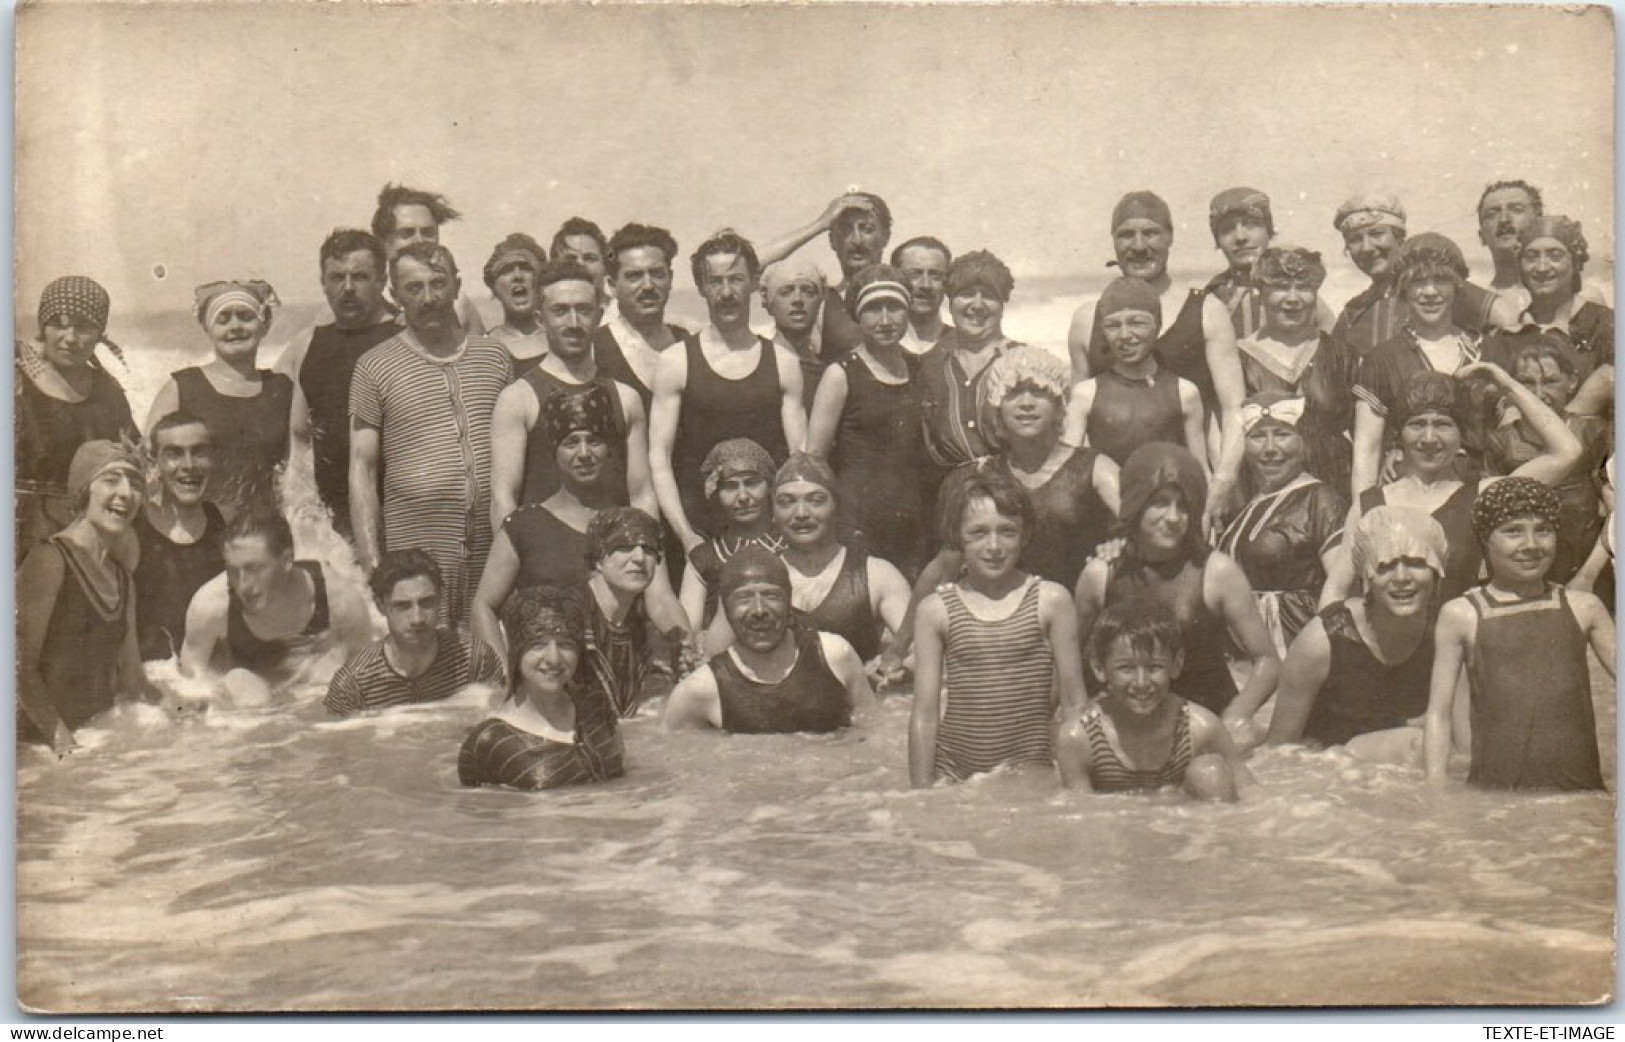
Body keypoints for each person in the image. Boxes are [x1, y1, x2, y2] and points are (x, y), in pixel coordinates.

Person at [348, 242, 514, 628]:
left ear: (456, 285)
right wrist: (375, 567)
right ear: (394, 295)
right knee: (424, 670)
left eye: (438, 284)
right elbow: (362, 470)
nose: (428, 298)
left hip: (492, 550)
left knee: (489, 664)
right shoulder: (374, 367)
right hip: (417, 550)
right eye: (413, 287)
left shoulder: (495, 358)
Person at [1073, 443, 1279, 744]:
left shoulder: (1217, 572)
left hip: (1204, 723)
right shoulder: (1100, 575)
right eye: (1160, 503)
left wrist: (1233, 719)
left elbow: (1268, 662)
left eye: (1184, 506)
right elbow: (1070, 662)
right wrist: (1080, 717)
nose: (1173, 517)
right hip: (1129, 725)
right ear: (1134, 503)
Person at [1326, 366, 1581, 605]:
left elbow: (1567, 452)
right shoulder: (1370, 503)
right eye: (1416, 424)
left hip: (1461, 644)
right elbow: (1336, 590)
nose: (1429, 438)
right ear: (1399, 434)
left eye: (1442, 424)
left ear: (1461, 434)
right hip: (1389, 647)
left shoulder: (1484, 496)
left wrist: (1506, 382)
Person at [1424, 479, 1614, 791]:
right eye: (1513, 531)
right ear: (1485, 539)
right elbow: (1439, 715)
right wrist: (1435, 790)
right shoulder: (1462, 614)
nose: (1531, 544)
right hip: (1495, 796)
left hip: (1579, 792)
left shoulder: (1584, 608)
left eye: (1543, 530)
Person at [1066, 191, 1246, 513]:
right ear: (1113, 242)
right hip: (1112, 494)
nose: (1138, 246)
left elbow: (1234, 409)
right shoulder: (1087, 320)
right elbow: (1077, 419)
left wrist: (1223, 482)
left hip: (1188, 488)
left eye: (1150, 232)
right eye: (1126, 235)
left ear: (1170, 237)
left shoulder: (1206, 310)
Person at [909, 469, 1087, 786]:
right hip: (955, 774)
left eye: (1007, 531)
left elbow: (1075, 703)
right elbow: (925, 714)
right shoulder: (936, 610)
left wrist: (1080, 790)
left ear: (1025, 534)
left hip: (1031, 770)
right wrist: (921, 793)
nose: (994, 546)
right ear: (957, 536)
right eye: (978, 533)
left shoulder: (1051, 600)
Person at [649, 230, 805, 553]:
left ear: (753, 283)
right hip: (698, 533)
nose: (726, 292)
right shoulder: (675, 362)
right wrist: (687, 537)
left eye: (735, 279)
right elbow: (659, 459)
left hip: (771, 535)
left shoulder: (784, 363)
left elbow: (798, 460)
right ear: (702, 289)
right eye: (715, 281)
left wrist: (786, 531)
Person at [1266, 506, 1448, 764]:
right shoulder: (1323, 641)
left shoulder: (1447, 632)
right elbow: (1277, 753)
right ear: (1366, 576)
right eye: (1385, 565)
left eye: (1417, 563)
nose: (1402, 578)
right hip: (1329, 772)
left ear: (1437, 570)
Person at [16, 442, 159, 753]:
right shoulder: (49, 560)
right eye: (111, 479)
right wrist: (64, 745)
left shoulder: (122, 580)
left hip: (97, 741)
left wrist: (181, 714)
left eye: (135, 482)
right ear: (83, 490)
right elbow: (17, 669)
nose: (126, 492)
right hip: (40, 749)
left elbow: (133, 681)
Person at [487, 259, 653, 528]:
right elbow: (503, 498)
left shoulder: (625, 397)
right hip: (544, 561)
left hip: (614, 558)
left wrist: (653, 565)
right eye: (561, 311)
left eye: (584, 310)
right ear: (541, 318)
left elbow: (642, 494)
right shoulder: (518, 398)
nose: (574, 322)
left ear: (599, 317)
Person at [805, 264, 933, 577]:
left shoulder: (921, 369)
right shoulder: (840, 374)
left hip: (914, 524)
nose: (886, 320)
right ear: (857, 317)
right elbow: (814, 460)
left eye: (895, 308)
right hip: (857, 523)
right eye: (874, 309)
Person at [1055, 599, 1250, 800]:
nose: (1141, 683)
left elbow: (1253, 796)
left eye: (1154, 667)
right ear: (1099, 668)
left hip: (1183, 822)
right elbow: (1078, 817)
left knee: (1209, 771)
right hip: (1116, 826)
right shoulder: (1079, 738)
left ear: (1177, 664)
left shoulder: (1201, 729)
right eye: (1126, 669)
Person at [664, 547, 873, 734]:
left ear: (789, 601)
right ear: (726, 610)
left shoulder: (835, 656)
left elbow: (875, 731)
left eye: (771, 596)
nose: (759, 610)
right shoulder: (700, 690)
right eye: (744, 598)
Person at [277, 230, 400, 539]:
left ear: (382, 280)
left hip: (403, 514)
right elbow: (298, 436)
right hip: (334, 524)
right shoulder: (309, 344)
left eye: (359, 277)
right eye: (336, 277)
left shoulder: (406, 335)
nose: (347, 289)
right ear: (323, 283)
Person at [735, 455, 911, 671]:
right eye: (786, 502)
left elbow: (919, 651)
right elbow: (718, 658)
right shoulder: (752, 575)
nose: (801, 514)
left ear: (836, 507)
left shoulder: (877, 574)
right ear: (772, 513)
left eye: (816, 500)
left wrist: (885, 669)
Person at [1350, 233, 1493, 494]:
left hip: (1477, 488)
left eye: (1440, 280)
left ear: (1458, 286)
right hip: (1408, 490)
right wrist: (1363, 516)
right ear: (1402, 290)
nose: (1430, 292)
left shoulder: (1486, 350)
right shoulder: (1382, 359)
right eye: (1417, 282)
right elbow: (1366, 451)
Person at [475, 386, 624, 633]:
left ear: (609, 450)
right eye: (571, 443)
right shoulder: (524, 525)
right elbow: (484, 606)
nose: (584, 453)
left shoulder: (628, 524)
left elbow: (659, 599)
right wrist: (501, 668)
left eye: (594, 441)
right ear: (554, 453)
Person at [144, 280, 289, 522]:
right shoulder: (183, 387)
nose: (235, 327)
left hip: (263, 531)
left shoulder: (282, 389)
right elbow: (149, 465)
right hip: (197, 526)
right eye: (223, 319)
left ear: (263, 325)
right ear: (208, 328)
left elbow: (296, 469)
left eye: (245, 317)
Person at [1216, 391, 1348, 656]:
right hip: (1245, 653)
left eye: (1282, 434)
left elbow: (1341, 595)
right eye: (1257, 436)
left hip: (1296, 650)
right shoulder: (1246, 506)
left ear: (1303, 442)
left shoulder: (1321, 500)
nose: (1269, 449)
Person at [16, 276, 137, 564]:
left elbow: (133, 458)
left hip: (88, 531)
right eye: (58, 323)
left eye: (83, 326)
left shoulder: (108, 393)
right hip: (20, 528)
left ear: (100, 333)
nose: (70, 338)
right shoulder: (17, 383)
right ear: (43, 327)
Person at [180, 510, 373, 688]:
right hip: (244, 706)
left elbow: (367, 681)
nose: (242, 584)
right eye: (232, 570)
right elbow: (188, 691)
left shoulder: (338, 600)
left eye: (254, 569)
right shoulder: (210, 606)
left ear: (287, 560)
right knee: (242, 685)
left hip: (309, 701)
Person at [458, 587, 625, 791]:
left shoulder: (596, 708)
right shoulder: (489, 742)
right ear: (517, 651)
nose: (554, 658)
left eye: (565, 644)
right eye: (538, 644)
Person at [1225, 246, 1357, 496]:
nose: (1293, 298)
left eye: (1304, 287)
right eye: (1281, 287)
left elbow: (1363, 435)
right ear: (1261, 293)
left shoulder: (1341, 353)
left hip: (1334, 486)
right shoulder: (1237, 358)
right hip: (1262, 490)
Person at [1328, 191, 1517, 362]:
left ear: (1400, 237)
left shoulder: (1438, 291)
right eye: (1355, 240)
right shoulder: (1353, 313)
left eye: (1377, 234)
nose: (1366, 248)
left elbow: (1507, 317)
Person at [1483, 337, 1609, 583]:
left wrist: (1587, 577)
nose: (1539, 393)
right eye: (1527, 383)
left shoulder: (1594, 434)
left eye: (1550, 382)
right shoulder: (1502, 442)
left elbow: (1618, 511)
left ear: (1572, 382)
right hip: (1522, 568)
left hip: (1585, 568)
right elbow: (1489, 517)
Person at [324, 550, 506, 718]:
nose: (417, 618)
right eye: (403, 606)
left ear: (440, 599)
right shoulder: (353, 683)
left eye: (427, 602)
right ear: (380, 606)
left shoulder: (475, 659)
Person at [1065, 275, 1207, 472]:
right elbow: (1069, 472)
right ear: (1103, 332)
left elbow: (1200, 471)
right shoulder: (1086, 394)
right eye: (1113, 326)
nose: (1124, 335)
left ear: (1157, 325)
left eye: (1136, 323)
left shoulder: (1184, 392)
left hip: (1167, 499)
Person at [1482, 216, 1614, 413]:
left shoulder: (1606, 324)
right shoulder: (1504, 339)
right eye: (1531, 256)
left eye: (1555, 255)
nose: (1542, 267)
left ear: (1576, 262)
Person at [574, 507, 697, 718]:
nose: (640, 557)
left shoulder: (639, 628)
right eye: (624, 546)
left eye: (648, 549)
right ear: (598, 559)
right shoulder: (569, 614)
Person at [916, 250, 1025, 473]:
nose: (977, 304)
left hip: (1016, 492)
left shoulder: (1026, 362)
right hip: (952, 495)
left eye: (988, 295)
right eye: (966, 294)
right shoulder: (931, 368)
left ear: (1002, 304)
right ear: (950, 302)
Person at [758, 191, 894, 370]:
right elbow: (743, 266)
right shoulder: (823, 303)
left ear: (885, 237)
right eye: (845, 230)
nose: (857, 240)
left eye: (867, 229)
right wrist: (820, 224)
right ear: (832, 240)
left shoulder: (904, 295)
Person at [133, 413, 226, 662]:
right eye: (174, 453)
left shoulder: (224, 526)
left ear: (213, 459)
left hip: (208, 676)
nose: (188, 465)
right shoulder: (133, 529)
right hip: (152, 679)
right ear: (155, 464)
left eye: (199, 452)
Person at [678, 438, 786, 632]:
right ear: (715, 493)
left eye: (752, 483)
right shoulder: (704, 558)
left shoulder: (790, 546)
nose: (743, 497)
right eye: (730, 486)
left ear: (770, 487)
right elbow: (689, 631)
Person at [1201, 187, 1336, 340]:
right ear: (1217, 240)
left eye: (1251, 225)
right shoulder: (1213, 294)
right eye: (1227, 229)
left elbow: (1331, 334)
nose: (1240, 237)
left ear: (1269, 231)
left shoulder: (1294, 288)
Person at [594, 223, 689, 414]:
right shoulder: (595, 348)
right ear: (612, 286)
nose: (647, 286)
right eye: (634, 276)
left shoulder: (686, 342)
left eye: (657, 274)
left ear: (670, 278)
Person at [368, 183, 485, 334]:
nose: (420, 240)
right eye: (407, 233)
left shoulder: (457, 303)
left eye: (428, 232)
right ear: (383, 241)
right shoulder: (369, 301)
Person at [759, 256, 829, 411]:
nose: (798, 299)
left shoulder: (829, 374)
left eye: (808, 291)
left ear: (821, 299)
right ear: (767, 302)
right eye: (786, 292)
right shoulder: (756, 363)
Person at [481, 233, 550, 372]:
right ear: (493, 286)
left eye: (526, 268)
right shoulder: (483, 349)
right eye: (506, 270)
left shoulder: (562, 341)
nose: (518, 276)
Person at [1476, 180, 1544, 312]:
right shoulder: (1476, 309)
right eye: (1492, 214)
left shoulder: (1571, 301)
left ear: (1540, 224)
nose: (1504, 219)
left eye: (1516, 210)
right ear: (1482, 236)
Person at [891, 236, 953, 353]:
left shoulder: (962, 345)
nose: (925, 285)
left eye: (935, 275)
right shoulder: (877, 344)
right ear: (894, 279)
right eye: (914, 274)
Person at [551, 217, 611, 307]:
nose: (580, 265)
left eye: (590, 258)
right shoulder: (543, 317)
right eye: (570, 259)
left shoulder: (626, 314)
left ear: (605, 266)